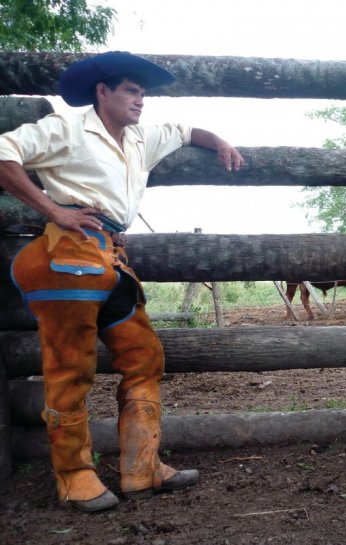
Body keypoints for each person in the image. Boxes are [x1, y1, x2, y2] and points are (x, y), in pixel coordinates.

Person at [0, 51, 244, 512]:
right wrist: (53, 210)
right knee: (71, 367)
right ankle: (74, 476)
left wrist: (221, 142)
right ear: (103, 92)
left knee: (144, 355)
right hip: (67, 255)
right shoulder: (65, 129)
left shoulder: (140, 138)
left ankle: (140, 467)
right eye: (131, 90)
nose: (140, 100)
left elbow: (188, 131)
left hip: (112, 258)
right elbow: (2, 153)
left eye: (143, 93)